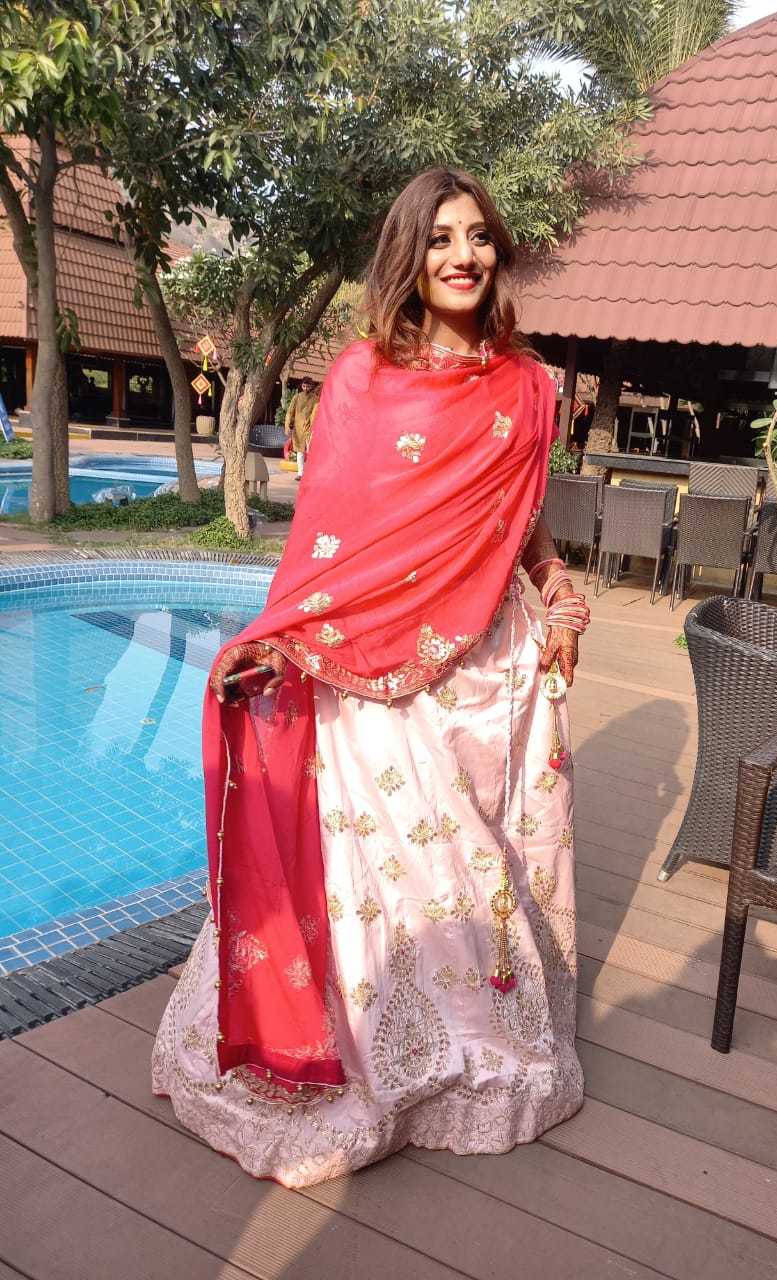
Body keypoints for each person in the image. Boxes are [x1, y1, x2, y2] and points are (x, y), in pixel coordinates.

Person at [152, 167, 591, 1187]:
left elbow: (524, 525)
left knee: (480, 862)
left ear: (499, 250)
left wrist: (557, 586)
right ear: (409, 256)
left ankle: (473, 1043)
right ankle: (361, 1050)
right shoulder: (361, 377)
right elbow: (329, 535)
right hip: (367, 662)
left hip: (491, 657)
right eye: (440, 238)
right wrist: (286, 634)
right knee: (391, 866)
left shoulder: (529, 386)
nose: (462, 256)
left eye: (477, 236)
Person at [284, 376, 320, 478]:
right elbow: (290, 412)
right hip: (298, 429)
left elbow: (316, 413)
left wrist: (314, 427)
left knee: (311, 451)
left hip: (310, 429)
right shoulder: (297, 397)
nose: (305, 388)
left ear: (311, 386)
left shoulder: (315, 399)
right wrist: (287, 425)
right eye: (304, 386)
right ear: (301, 386)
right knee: (300, 452)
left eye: (308, 386)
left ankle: (311, 474)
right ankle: (300, 474)